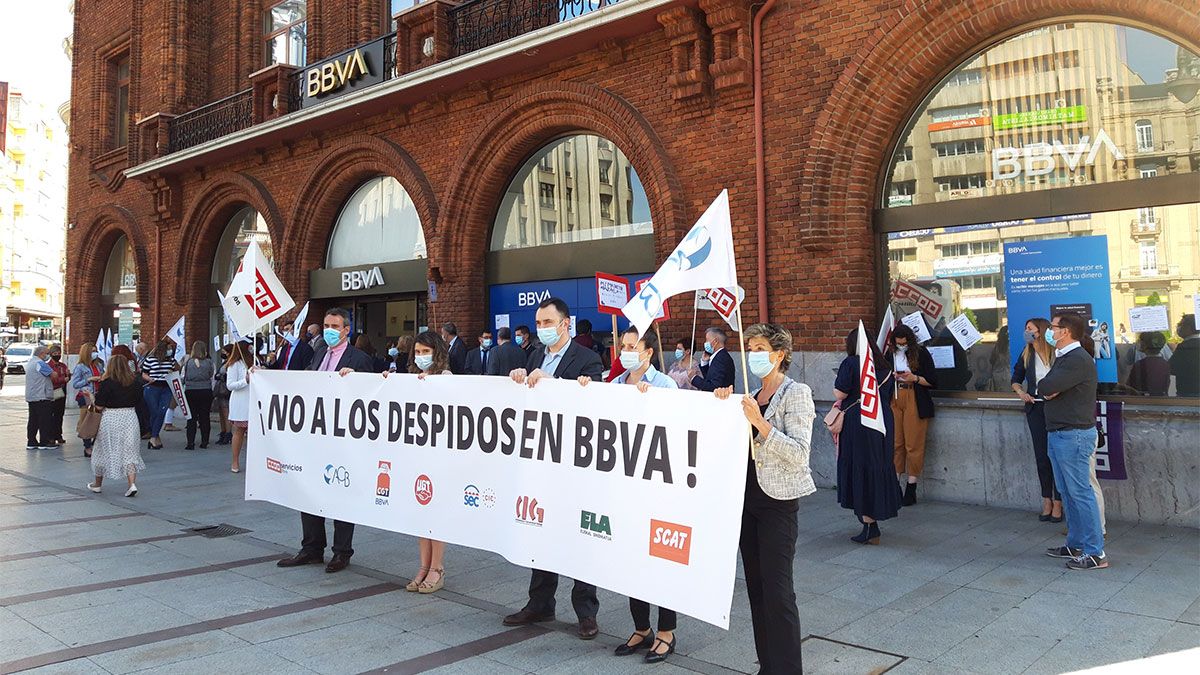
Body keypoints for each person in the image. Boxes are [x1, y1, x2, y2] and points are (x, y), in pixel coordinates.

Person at [715, 323, 814, 674]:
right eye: (751, 348)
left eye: (759, 348)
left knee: (778, 590)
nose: (753, 355)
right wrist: (723, 408)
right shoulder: (748, 397)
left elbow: (800, 453)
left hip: (778, 503)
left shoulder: (795, 393)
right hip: (747, 502)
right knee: (756, 589)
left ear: (779, 354)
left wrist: (762, 424)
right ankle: (767, 666)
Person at [503, 297, 604, 640]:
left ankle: (586, 612)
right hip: (540, 464)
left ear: (566, 324)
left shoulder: (588, 359)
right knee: (539, 530)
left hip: (575, 467)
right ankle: (540, 602)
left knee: (577, 536)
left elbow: (593, 408)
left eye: (549, 322)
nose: (542, 329)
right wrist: (518, 378)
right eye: (539, 323)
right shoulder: (533, 355)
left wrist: (552, 383)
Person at [581, 327, 680, 663]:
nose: (624, 351)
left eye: (632, 346)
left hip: (656, 488)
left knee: (660, 561)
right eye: (622, 346)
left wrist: (651, 401)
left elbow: (678, 429)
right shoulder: (614, 385)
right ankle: (642, 628)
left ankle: (666, 631)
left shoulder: (665, 385)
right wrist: (585, 393)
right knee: (631, 560)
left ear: (649, 352)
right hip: (623, 490)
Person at [277, 307, 374, 574]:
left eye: (334, 326)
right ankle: (311, 548)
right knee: (309, 490)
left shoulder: (360, 359)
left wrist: (353, 380)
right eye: (326, 325)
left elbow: (371, 395)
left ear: (346, 330)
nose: (329, 330)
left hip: (344, 439)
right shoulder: (319, 353)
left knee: (341, 491)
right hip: (316, 436)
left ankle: (342, 552)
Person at [383, 330, 452, 593]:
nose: (422, 357)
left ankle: (437, 567)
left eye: (426, 352)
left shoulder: (446, 377)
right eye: (418, 352)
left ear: (437, 353)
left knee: (436, 513)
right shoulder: (411, 378)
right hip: (416, 456)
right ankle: (423, 566)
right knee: (421, 513)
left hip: (439, 457)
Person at [1039, 312, 1107, 570]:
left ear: (1065, 331)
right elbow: (1047, 387)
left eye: (1053, 327)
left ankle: (1095, 552)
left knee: (1080, 493)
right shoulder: (1064, 357)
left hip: (1073, 435)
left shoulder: (1077, 359)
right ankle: (1076, 543)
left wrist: (1049, 389)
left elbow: (1045, 387)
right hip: (1060, 433)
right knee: (1068, 493)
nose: (1050, 331)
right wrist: (1049, 389)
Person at [835, 328, 902, 545]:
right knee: (878, 464)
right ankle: (875, 516)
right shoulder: (884, 365)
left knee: (860, 466)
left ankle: (869, 525)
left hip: (859, 422)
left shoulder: (852, 363)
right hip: (882, 420)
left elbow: (840, 393)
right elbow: (890, 395)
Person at [1011, 318, 1062, 522]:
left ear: (1040, 331)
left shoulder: (1056, 352)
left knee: (1057, 456)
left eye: (1030, 329)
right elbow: (1015, 378)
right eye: (1025, 329)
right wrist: (1021, 393)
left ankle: (1059, 501)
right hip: (1036, 408)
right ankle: (1046, 500)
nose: (1026, 332)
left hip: (1057, 409)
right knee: (1042, 457)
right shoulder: (1027, 353)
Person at [82, 353, 145, 497]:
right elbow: (140, 401)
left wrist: (91, 397)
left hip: (110, 418)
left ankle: (97, 484)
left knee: (102, 449)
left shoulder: (107, 382)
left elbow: (99, 407)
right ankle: (131, 484)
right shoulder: (136, 382)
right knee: (130, 450)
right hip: (130, 416)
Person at [888, 325, 936, 506]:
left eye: (904, 343)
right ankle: (895, 484)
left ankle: (911, 486)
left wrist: (914, 378)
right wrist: (890, 376)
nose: (901, 346)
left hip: (914, 396)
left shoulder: (921, 354)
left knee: (913, 444)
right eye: (898, 343)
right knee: (896, 443)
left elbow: (932, 380)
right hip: (894, 396)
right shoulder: (889, 354)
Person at [139, 340, 178, 449]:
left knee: (162, 412)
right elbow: (144, 373)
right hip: (152, 387)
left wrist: (173, 373)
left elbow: (175, 371)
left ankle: (154, 436)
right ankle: (155, 436)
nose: (170, 351)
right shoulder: (150, 360)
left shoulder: (171, 360)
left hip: (166, 388)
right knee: (154, 412)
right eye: (169, 349)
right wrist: (150, 379)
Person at [72, 342, 105, 457]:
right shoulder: (80, 367)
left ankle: (95, 444)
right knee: (86, 421)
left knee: (98, 421)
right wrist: (89, 379)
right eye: (93, 351)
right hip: (85, 396)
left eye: (96, 351)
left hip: (97, 395)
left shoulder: (98, 365)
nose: (95, 353)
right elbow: (75, 384)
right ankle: (87, 446)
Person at [224, 341, 253, 472]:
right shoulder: (234, 364)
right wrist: (245, 380)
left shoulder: (254, 361)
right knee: (239, 431)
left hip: (254, 400)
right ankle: (235, 461)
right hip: (241, 402)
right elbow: (230, 385)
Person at [181, 341, 215, 450]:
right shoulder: (209, 362)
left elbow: (183, 377)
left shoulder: (188, 362)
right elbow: (211, 375)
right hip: (205, 390)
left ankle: (190, 443)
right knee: (205, 417)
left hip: (191, 391)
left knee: (191, 418)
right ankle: (204, 442)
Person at [25, 345, 58, 450]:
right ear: (41, 354)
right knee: (44, 420)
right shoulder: (40, 363)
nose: (48, 355)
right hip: (42, 396)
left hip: (32, 396)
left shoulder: (30, 363)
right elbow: (53, 375)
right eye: (47, 353)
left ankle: (31, 441)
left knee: (33, 420)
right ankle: (44, 441)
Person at [1126, 332, 1170, 396]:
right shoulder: (1166, 364)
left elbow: (1129, 385)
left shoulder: (1139, 364)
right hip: (1162, 400)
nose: (1138, 343)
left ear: (1144, 344)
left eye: (1140, 341)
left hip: (1141, 400)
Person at [692, 327, 735, 391]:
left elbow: (714, 386)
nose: (705, 343)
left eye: (707, 340)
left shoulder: (721, 359)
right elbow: (710, 378)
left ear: (715, 341)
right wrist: (705, 363)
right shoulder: (719, 356)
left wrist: (693, 378)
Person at [1170, 314, 1199, 397]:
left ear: (1188, 327)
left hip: (1187, 393)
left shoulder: (1184, 346)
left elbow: (1172, 368)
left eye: (1180, 325)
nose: (1178, 327)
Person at [47, 345, 70, 444]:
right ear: (51, 354)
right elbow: (51, 379)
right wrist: (62, 379)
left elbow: (67, 376)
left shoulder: (62, 365)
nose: (57, 355)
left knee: (60, 414)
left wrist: (68, 376)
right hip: (53, 391)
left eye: (59, 353)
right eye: (55, 354)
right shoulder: (49, 366)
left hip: (62, 391)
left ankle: (58, 435)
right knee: (52, 415)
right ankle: (51, 436)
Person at [213, 344, 233, 446]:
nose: (223, 353)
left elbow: (227, 376)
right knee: (221, 412)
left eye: (224, 351)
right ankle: (223, 431)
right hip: (220, 390)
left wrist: (221, 376)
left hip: (226, 390)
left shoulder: (232, 363)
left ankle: (228, 433)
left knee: (226, 412)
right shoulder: (225, 362)